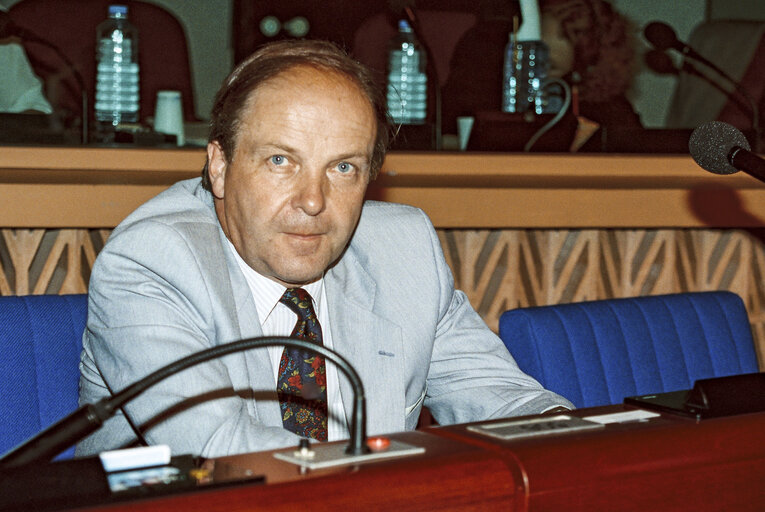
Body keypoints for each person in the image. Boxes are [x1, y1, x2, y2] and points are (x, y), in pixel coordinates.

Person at [76, 39, 573, 459]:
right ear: (220, 167)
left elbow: (498, 396)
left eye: (343, 168)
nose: (313, 201)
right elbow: (221, 450)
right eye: (280, 161)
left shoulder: (402, 249)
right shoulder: (153, 262)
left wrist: (574, 439)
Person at [442, 0, 641, 142]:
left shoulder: (612, 111)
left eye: (564, 37)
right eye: (542, 35)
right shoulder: (491, 90)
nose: (547, 48)